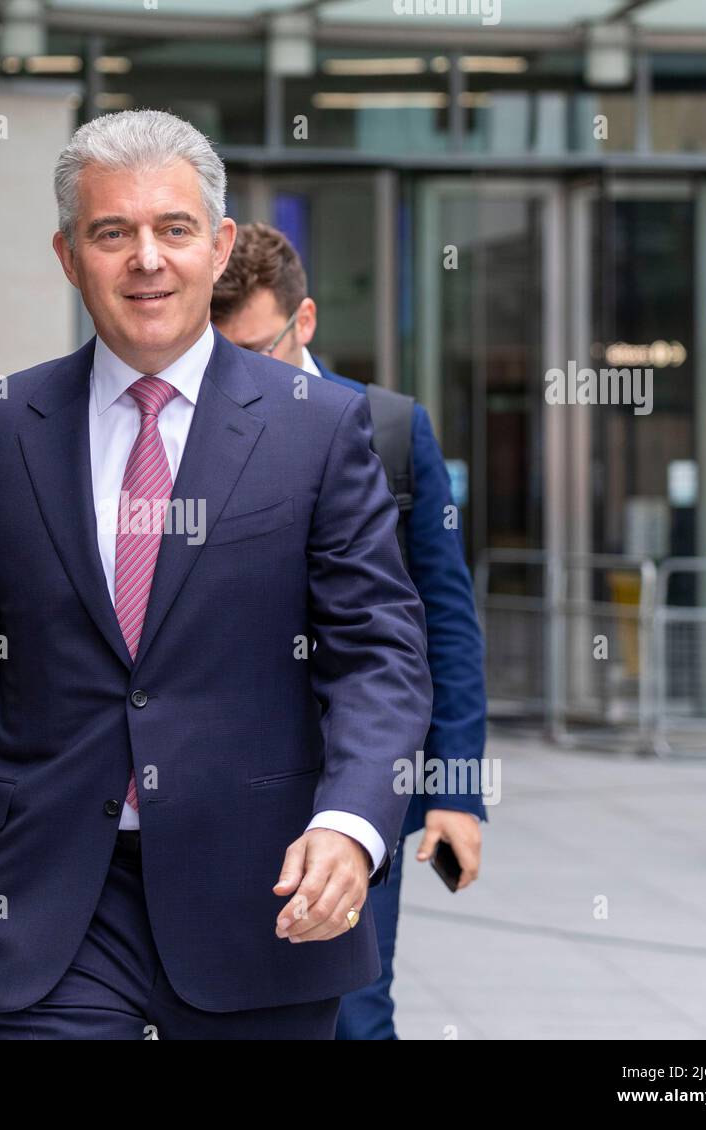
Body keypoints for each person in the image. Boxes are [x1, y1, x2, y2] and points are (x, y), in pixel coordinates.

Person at [0, 109, 432, 1041]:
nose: (147, 258)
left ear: (217, 248)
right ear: (67, 255)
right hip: (46, 905)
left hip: (261, 900)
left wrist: (353, 822)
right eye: (112, 232)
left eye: (173, 229)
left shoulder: (318, 429)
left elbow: (380, 655)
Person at [212, 221, 487, 1040]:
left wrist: (457, 790)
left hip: (359, 780)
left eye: (257, 349)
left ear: (306, 321)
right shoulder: (189, 427)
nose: (239, 373)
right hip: (221, 776)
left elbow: (446, 620)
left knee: (356, 1013)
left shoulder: (392, 429)